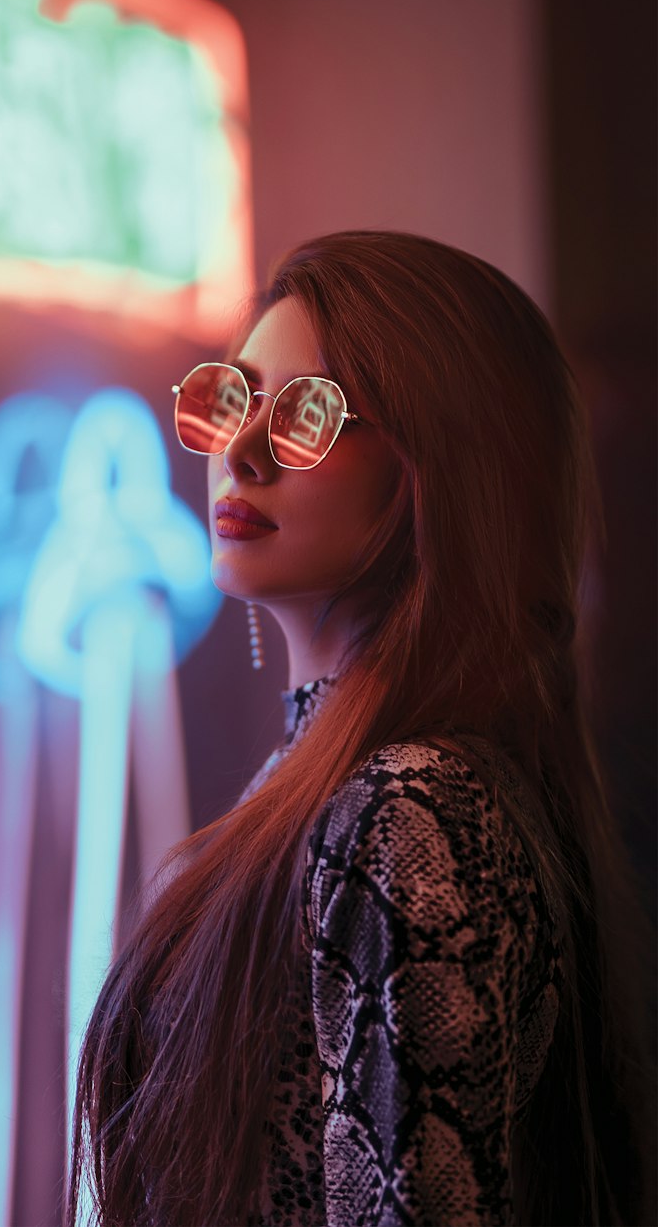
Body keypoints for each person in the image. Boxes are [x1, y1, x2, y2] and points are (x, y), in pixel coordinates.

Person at [66, 232, 655, 1226]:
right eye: (234, 396)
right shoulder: (341, 780)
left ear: (442, 465)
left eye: (306, 414)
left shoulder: (403, 803)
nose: (238, 450)